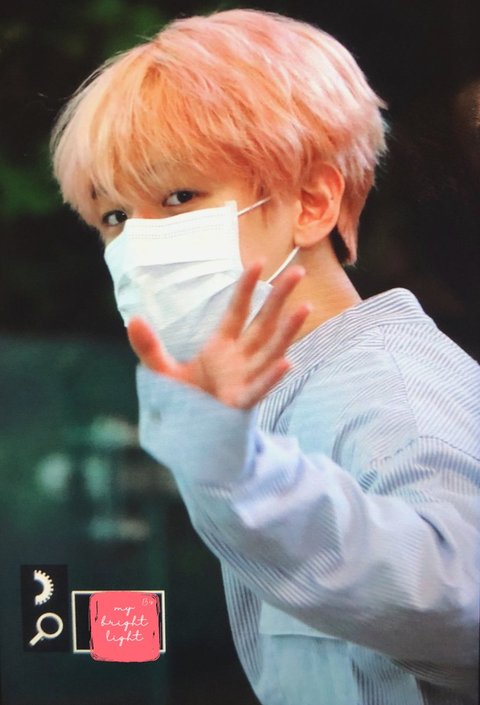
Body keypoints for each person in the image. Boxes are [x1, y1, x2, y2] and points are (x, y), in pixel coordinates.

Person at [50, 9, 479, 704]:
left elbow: (461, 603)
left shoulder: (390, 396)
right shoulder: (288, 391)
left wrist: (232, 470)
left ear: (311, 202)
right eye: (115, 217)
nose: (136, 244)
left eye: (179, 195)